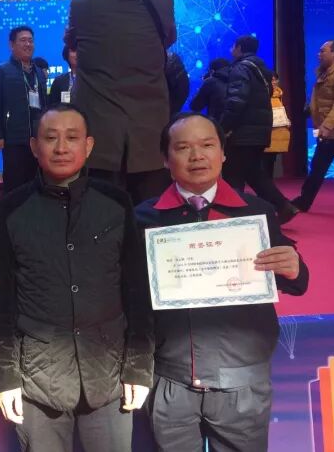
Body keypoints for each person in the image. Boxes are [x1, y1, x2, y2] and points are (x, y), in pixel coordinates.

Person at [134, 113, 309, 452]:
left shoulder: (256, 212)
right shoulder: (144, 217)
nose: (197, 156)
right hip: (170, 377)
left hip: (242, 381)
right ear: (165, 159)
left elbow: (296, 282)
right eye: (183, 148)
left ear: (223, 153)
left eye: (207, 145)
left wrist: (294, 268)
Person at [0, 103, 153, 452]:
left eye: (72, 138)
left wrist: (139, 367)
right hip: (36, 378)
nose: (61, 147)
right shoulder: (11, 208)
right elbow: (0, 300)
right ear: (35, 147)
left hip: (108, 372)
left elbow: (137, 289)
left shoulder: (116, 202)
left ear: (88, 145)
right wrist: (5, 377)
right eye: (51, 138)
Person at [66, 0, 176, 204]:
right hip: (149, 134)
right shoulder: (162, 1)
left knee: (101, 213)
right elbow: (168, 39)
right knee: (149, 212)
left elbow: (72, 43)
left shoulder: (82, 4)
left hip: (100, 136)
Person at [220, 35, 299, 224]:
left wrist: (223, 127)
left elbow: (236, 101)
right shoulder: (263, 70)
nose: (231, 50)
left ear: (239, 48)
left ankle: (235, 217)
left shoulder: (241, 68)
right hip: (259, 131)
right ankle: (283, 206)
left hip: (241, 132)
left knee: (233, 175)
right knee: (255, 174)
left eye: (233, 46)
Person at [0, 26, 47, 193]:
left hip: (38, 140)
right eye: (23, 40)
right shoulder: (0, 72)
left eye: (30, 40)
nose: (28, 44)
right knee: (15, 184)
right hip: (13, 139)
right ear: (12, 45)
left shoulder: (39, 73)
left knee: (38, 184)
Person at [292, 39, 334, 212]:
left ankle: (304, 201)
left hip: (330, 129)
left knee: (318, 167)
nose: (319, 54)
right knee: (317, 167)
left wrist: (327, 125)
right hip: (327, 132)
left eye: (323, 51)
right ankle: (304, 201)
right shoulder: (323, 73)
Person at [263, 72, 291, 178]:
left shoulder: (279, 94)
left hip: (278, 132)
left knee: (270, 161)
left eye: (275, 80)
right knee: (264, 162)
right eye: (271, 80)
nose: (274, 82)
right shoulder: (263, 95)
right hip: (266, 132)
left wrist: (286, 120)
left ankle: (268, 182)